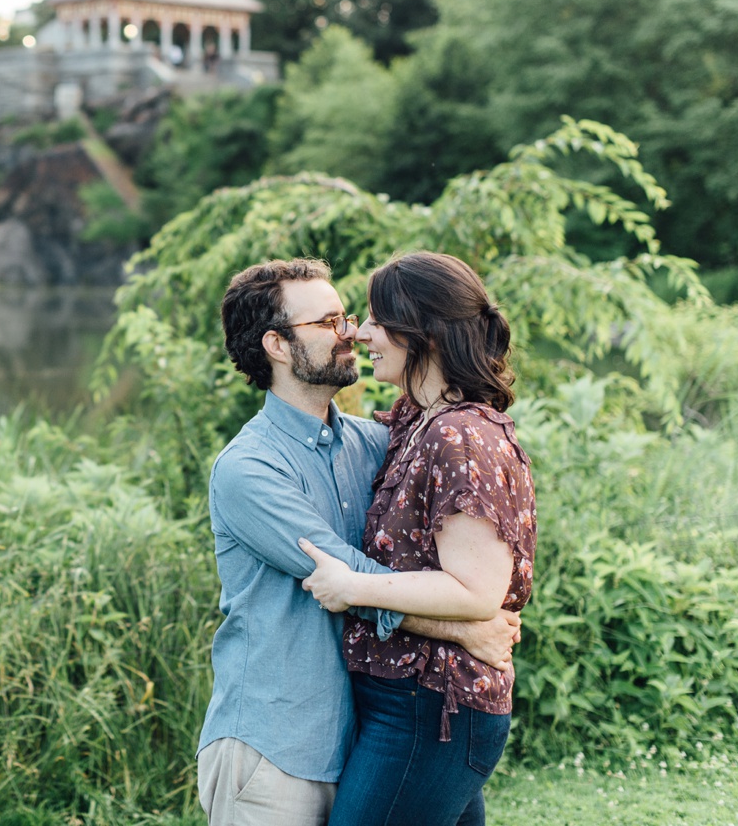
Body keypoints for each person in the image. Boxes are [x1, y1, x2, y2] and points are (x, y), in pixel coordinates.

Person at [199, 258, 523, 826]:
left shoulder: (374, 442)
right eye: (328, 323)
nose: (350, 331)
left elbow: (417, 560)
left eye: (348, 316)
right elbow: (342, 570)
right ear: (277, 344)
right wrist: (464, 624)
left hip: (365, 732)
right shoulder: (247, 470)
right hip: (276, 746)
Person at [299, 252, 537, 826]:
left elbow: (477, 591)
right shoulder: (418, 420)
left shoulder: (459, 435)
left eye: (378, 321)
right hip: (412, 701)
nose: (361, 333)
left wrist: (353, 586)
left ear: (423, 332)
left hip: (430, 708)